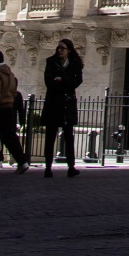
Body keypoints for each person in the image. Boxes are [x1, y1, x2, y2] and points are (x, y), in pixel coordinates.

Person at [42, 39, 84, 176]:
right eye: (58, 47)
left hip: (67, 104)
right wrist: (64, 83)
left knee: (68, 136)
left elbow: (77, 81)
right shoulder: (51, 62)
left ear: (69, 50)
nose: (59, 50)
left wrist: (62, 79)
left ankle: (71, 167)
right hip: (53, 102)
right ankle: (48, 167)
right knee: (50, 136)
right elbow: (49, 81)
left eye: (63, 48)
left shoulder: (75, 64)